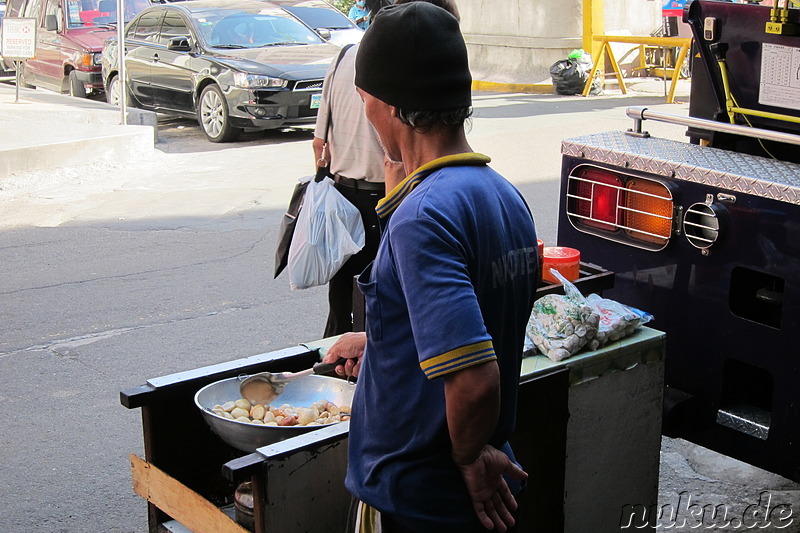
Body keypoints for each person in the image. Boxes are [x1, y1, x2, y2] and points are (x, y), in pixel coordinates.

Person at [323, 3, 539, 532]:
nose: (363, 108)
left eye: (364, 96)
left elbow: (475, 380)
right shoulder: (504, 196)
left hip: (419, 498)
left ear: (391, 106)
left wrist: (467, 457)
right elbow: (478, 326)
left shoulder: (423, 217)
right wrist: (383, 343)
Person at [312, 43, 386, 339]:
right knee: (379, 305)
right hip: (385, 198)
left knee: (341, 301)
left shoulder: (343, 56)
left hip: (341, 197)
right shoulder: (398, 56)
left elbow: (319, 144)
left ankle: (330, 369)